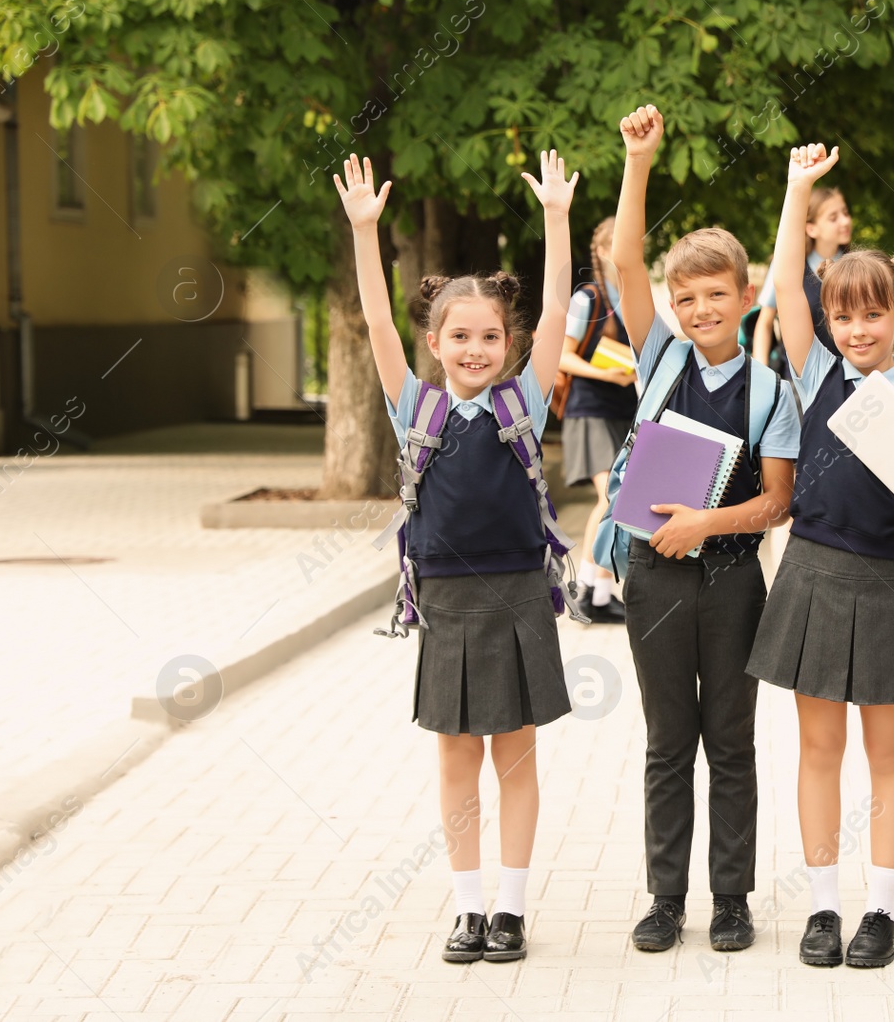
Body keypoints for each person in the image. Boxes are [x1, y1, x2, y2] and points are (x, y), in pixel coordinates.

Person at [335, 150, 580, 965]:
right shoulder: (418, 408)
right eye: (459, 336)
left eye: (489, 336)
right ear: (435, 341)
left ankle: (512, 911)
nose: (475, 349)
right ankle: (467, 910)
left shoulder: (524, 398)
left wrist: (554, 217)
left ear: (509, 344)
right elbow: (374, 322)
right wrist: (366, 233)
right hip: (444, 602)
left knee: (516, 759)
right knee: (455, 763)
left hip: (517, 598)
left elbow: (554, 311)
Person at [747, 142, 894, 971]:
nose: (857, 329)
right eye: (844, 317)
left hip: (885, 583)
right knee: (816, 750)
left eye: (873, 315)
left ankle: (881, 908)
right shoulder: (811, 372)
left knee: (888, 754)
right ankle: (823, 906)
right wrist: (798, 189)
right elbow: (783, 281)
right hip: (809, 572)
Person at [608, 105, 802, 954]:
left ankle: (731, 898)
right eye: (684, 298)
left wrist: (704, 524)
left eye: (713, 295)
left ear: (745, 294)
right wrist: (638, 159)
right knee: (664, 742)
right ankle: (663, 896)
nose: (696, 309)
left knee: (730, 738)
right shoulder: (660, 358)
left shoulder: (769, 393)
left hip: (730, 580)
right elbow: (623, 259)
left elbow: (778, 503)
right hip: (653, 576)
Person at [557, 216, 637, 623]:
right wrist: (605, 373)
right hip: (590, 410)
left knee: (618, 501)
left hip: (622, 410)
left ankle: (599, 593)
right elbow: (562, 355)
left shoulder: (629, 297)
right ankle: (589, 592)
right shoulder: (588, 297)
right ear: (604, 250)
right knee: (612, 498)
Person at [752, 185, 849, 374]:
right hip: (799, 383)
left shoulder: (858, 265)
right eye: (833, 217)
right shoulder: (787, 266)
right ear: (811, 228)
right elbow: (764, 323)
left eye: (845, 213)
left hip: (848, 379)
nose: (845, 221)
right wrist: (761, 376)